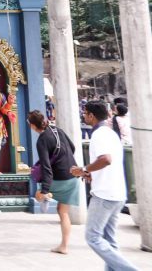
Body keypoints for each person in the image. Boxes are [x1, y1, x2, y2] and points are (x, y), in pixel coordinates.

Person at [71, 101, 139, 271]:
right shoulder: (110, 133)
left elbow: (105, 159)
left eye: (85, 113)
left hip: (104, 194)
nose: (84, 116)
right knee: (109, 240)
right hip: (117, 192)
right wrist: (90, 173)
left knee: (93, 237)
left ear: (91, 116)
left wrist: (83, 169)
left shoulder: (99, 134)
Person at [28, 110, 79, 255]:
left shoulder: (42, 140)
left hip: (59, 179)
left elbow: (46, 167)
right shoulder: (57, 130)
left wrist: (44, 190)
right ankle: (64, 246)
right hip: (72, 176)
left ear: (32, 125)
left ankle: (46, 197)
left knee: (38, 192)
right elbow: (72, 147)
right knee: (63, 212)